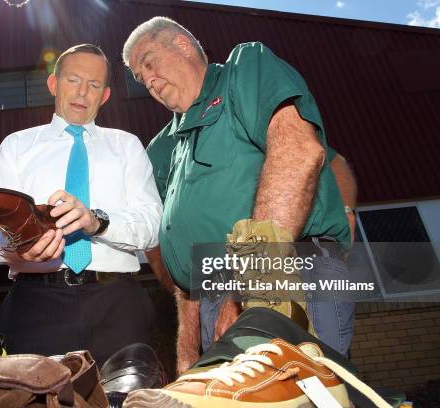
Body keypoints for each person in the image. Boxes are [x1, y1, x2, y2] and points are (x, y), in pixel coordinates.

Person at [123, 17, 355, 372]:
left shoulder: (243, 69)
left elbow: (302, 152)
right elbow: (176, 249)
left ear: (182, 45)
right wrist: (188, 346)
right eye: (140, 77)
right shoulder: (162, 146)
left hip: (285, 269)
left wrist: (246, 292)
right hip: (212, 295)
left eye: (150, 62)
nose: (148, 80)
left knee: (301, 392)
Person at [0, 44, 162, 365]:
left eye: (94, 85)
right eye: (73, 80)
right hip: (35, 303)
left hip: (117, 304)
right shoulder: (17, 146)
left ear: (104, 96)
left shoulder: (127, 146)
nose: (82, 93)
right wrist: (17, 246)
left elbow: (152, 225)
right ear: (53, 84)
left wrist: (96, 221)